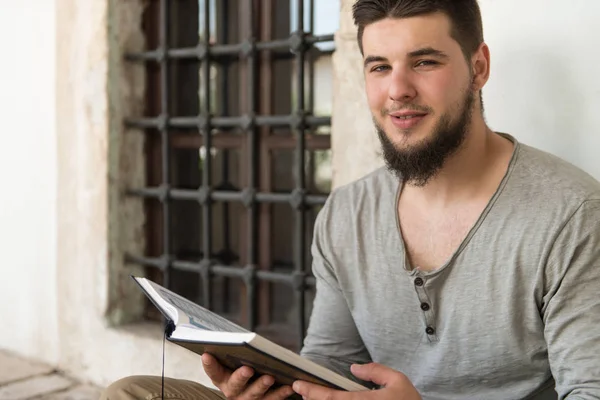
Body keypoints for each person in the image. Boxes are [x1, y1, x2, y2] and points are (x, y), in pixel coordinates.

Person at [100, 0, 600, 399]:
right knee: (133, 392)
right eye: (379, 67)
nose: (397, 90)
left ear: (479, 66)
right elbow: (330, 363)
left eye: (424, 62)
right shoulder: (346, 213)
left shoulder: (570, 214)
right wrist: (273, 385)